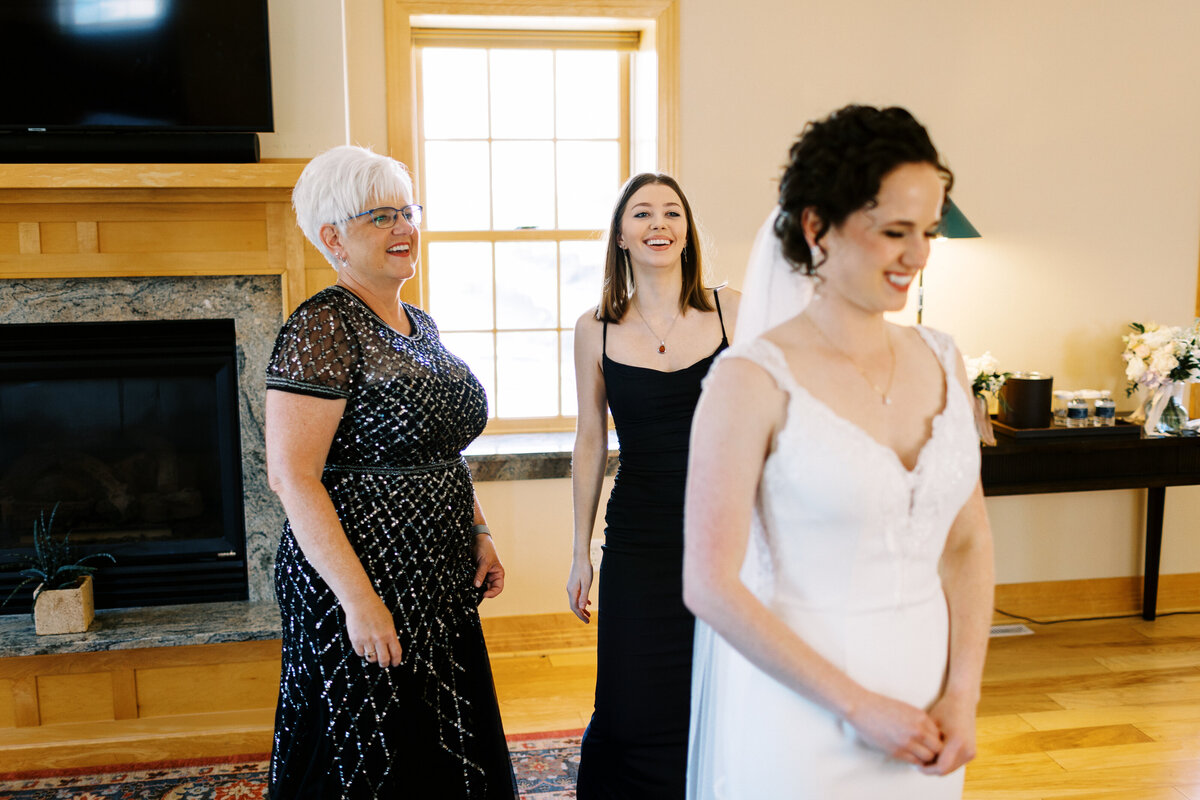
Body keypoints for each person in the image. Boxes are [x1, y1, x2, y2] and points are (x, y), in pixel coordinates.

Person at [683, 105, 994, 799]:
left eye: (929, 232)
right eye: (893, 233)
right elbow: (709, 584)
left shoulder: (943, 359)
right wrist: (857, 704)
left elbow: (968, 542)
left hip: (928, 705)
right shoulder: (749, 380)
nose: (917, 256)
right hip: (804, 711)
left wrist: (964, 694)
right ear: (818, 228)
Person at [264, 145, 518, 799]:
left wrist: (479, 533)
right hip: (359, 581)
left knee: (443, 751)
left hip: (436, 581)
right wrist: (359, 602)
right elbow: (293, 477)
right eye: (380, 217)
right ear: (333, 238)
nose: (404, 228)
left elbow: (442, 449)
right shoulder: (321, 327)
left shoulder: (420, 325)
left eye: (408, 212)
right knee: (368, 761)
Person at [567, 173, 740, 798]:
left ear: (688, 231)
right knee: (628, 697)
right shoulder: (596, 328)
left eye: (671, 212)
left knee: (719, 687)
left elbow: (773, 421)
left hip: (724, 531)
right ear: (621, 235)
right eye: (642, 213)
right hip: (638, 537)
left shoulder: (732, 310)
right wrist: (579, 552)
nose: (658, 223)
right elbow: (591, 442)